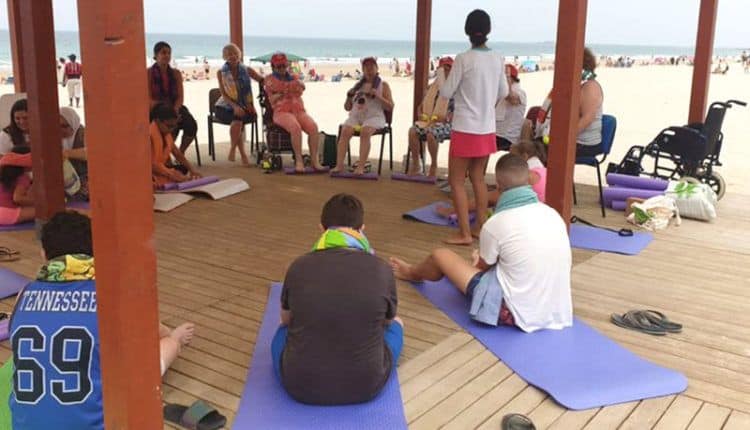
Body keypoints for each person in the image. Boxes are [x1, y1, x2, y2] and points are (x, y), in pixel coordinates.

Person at [8, 211, 195, 430]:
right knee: (166, 345)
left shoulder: (24, 293)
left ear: (43, 254)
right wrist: (172, 337)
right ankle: (178, 339)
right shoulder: (110, 294)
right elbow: (153, 332)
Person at [390, 154, 572, 333]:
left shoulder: (497, 223)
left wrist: (477, 259)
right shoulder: (552, 214)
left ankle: (412, 272)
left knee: (440, 255)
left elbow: (481, 269)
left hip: (514, 311)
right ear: (529, 181)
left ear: (498, 186)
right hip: (555, 308)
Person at [272, 193, 403, 405]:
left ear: (322, 229)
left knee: (281, 329)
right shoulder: (382, 269)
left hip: (300, 385)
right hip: (366, 386)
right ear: (362, 229)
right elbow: (386, 322)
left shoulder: (297, 267)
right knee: (397, 324)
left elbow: (286, 320)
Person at [438, 9, 508, 245]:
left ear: (467, 31)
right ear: (488, 31)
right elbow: (505, 92)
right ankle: (480, 227)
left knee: (457, 181)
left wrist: (441, 77)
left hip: (465, 126)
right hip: (486, 128)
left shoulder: (464, 59)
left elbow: (446, 92)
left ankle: (464, 233)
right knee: (478, 178)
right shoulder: (498, 58)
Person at [435, 139, 547, 217]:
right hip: (540, 209)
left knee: (491, 196)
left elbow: (493, 197)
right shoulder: (541, 168)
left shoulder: (528, 174)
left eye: (512, 157)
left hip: (530, 211)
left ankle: (454, 210)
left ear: (524, 156)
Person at [264, 53, 325, 173]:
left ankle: (315, 160)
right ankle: (299, 160)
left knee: (313, 128)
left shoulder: (294, 76)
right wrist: (287, 88)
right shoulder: (269, 79)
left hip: (298, 110)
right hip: (281, 112)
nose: (282, 68)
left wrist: (287, 88)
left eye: (284, 65)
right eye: (279, 66)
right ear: (273, 67)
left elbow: (301, 89)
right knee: (295, 127)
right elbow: (272, 98)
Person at [332, 57, 394, 175]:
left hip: (374, 117)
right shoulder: (357, 86)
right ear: (363, 70)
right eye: (366, 67)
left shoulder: (383, 85)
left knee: (365, 132)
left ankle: (361, 166)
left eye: (372, 67)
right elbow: (347, 108)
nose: (369, 70)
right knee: (345, 130)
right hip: (357, 116)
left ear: (377, 69)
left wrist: (378, 96)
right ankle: (339, 165)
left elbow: (390, 107)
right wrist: (348, 97)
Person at [215, 43, 263, 166]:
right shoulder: (221, 72)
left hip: (245, 106)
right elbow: (224, 95)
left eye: (235, 53)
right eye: (229, 54)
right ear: (224, 57)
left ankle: (233, 149)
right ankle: (242, 154)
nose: (233, 56)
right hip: (224, 106)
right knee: (238, 117)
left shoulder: (247, 70)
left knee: (239, 119)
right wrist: (235, 106)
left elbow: (262, 80)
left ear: (239, 55)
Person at [147, 41, 199, 155]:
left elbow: (180, 96)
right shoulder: (148, 73)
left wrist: (175, 109)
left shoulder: (176, 73)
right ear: (156, 56)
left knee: (191, 125)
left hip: (174, 105)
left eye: (169, 53)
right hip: (156, 107)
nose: (167, 55)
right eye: (163, 53)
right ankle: (165, 154)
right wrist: (165, 109)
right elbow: (148, 98)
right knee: (167, 122)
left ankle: (180, 153)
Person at [406, 56, 454, 177]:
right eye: (443, 68)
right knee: (412, 131)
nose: (445, 71)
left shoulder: (455, 89)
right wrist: (420, 113)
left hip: (447, 124)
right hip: (428, 121)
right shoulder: (431, 87)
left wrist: (445, 118)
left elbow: (456, 112)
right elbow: (421, 106)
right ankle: (417, 163)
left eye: (448, 68)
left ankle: (433, 164)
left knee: (431, 134)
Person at [150, 103, 201, 189]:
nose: (172, 129)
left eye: (174, 126)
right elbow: (151, 165)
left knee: (183, 168)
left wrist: (192, 170)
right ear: (158, 121)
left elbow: (177, 153)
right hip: (150, 170)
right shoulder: (149, 134)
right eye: (169, 126)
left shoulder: (166, 133)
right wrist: (170, 173)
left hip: (161, 168)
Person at [575, 47, 604, 157]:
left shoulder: (590, 86)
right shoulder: (579, 84)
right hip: (577, 139)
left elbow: (587, 119)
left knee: (537, 150)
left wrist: (564, 138)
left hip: (584, 143)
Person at [60, 107, 89, 201]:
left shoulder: (84, 133)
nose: (60, 129)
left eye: (64, 126)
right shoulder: (53, 135)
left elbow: (89, 153)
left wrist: (66, 153)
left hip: (85, 178)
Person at [495, 64, 527, 151]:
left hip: (507, 138)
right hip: (496, 134)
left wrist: (507, 77)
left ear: (511, 79)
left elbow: (511, 97)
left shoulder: (520, 93)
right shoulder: (499, 93)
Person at [0, 148, 34, 225]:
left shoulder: (3, 174)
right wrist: (40, 203)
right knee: (47, 210)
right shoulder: (22, 177)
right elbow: (18, 198)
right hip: (7, 214)